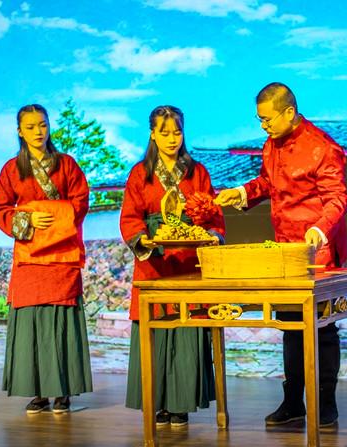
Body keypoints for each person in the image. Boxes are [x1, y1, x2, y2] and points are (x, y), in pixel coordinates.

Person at [214, 82, 347, 428]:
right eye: (259, 120)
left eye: (267, 119)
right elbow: (267, 183)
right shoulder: (271, 145)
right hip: (284, 249)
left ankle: (326, 403)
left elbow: (337, 198)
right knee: (290, 326)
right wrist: (241, 192)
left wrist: (320, 228)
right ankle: (293, 402)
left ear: (289, 112)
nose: (263, 126)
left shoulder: (322, 148)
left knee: (322, 329)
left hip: (317, 251)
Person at [120, 105, 225, 427]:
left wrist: (211, 234)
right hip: (154, 263)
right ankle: (157, 402)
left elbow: (213, 214)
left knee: (187, 330)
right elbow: (130, 218)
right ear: (152, 134)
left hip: (189, 264)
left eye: (177, 132)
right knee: (155, 329)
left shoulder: (197, 172)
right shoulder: (140, 174)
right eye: (164, 133)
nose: (171, 139)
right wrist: (143, 239)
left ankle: (181, 404)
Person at [0, 104, 92, 414]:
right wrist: (28, 219)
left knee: (62, 323)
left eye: (43, 125)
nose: (38, 131)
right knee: (31, 325)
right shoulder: (12, 169)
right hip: (29, 257)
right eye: (31, 126)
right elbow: (0, 209)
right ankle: (38, 392)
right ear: (20, 131)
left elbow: (80, 201)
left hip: (62, 256)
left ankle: (63, 391)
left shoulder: (67, 165)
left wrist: (52, 217)